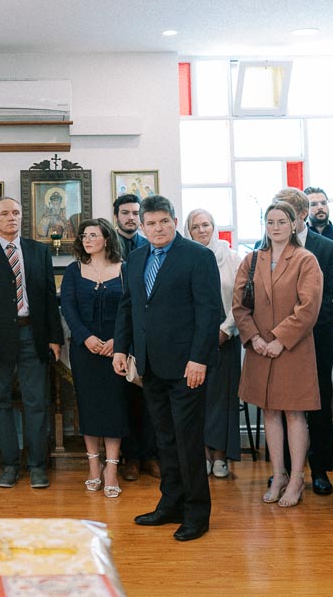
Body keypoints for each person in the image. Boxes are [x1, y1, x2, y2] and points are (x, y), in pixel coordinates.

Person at [113, 195, 222, 542]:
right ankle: (170, 504)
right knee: (165, 439)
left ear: (174, 221)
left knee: (188, 442)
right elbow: (129, 307)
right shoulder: (135, 258)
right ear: (141, 227)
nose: (158, 229)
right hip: (149, 365)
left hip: (187, 366)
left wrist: (199, 358)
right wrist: (121, 348)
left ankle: (196, 514)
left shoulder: (198, 257)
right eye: (151, 223)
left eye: (164, 222)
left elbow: (209, 312)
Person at [233, 201, 321, 508]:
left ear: (294, 224)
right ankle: (279, 474)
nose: (275, 227)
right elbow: (239, 305)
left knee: (294, 413)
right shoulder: (252, 259)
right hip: (259, 349)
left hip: (292, 349)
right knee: (269, 412)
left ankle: (297, 478)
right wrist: (254, 337)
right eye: (270, 221)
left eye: (281, 221)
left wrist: (280, 340)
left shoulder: (305, 259)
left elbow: (308, 307)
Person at [0, 196, 61, 489]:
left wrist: (55, 338)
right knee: (2, 402)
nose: (12, 218)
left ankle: (37, 465)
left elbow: (48, 297)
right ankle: (9, 465)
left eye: (17, 213)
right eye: (5, 213)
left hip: (33, 335)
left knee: (37, 402)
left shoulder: (38, 251)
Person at [278, 186, 333, 491]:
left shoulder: (327, 248)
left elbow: (332, 298)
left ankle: (320, 469)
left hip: (316, 338)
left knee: (317, 403)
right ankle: (286, 470)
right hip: (280, 340)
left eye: (286, 216)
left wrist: (300, 327)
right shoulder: (266, 246)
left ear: (302, 215)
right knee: (283, 405)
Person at [61, 218, 129, 498]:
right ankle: (93, 466)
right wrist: (85, 338)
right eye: (84, 236)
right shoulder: (74, 271)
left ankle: (111, 469)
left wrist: (118, 342)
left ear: (107, 239)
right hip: (85, 350)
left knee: (114, 407)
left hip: (117, 351)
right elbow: (68, 307)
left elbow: (130, 308)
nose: (87, 240)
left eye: (93, 235)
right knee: (88, 407)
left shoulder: (124, 270)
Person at [184, 208, 240, 479]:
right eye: (196, 227)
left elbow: (241, 300)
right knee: (198, 398)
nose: (202, 230)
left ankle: (220, 456)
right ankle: (203, 454)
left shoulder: (232, 258)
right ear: (188, 231)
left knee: (222, 399)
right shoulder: (184, 258)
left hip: (225, 337)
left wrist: (226, 329)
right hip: (193, 340)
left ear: (214, 227)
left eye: (207, 224)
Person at [112, 192, 156, 481]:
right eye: (125, 212)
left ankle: (151, 455)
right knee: (124, 399)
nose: (130, 217)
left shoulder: (150, 245)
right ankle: (129, 457)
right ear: (116, 216)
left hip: (148, 333)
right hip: (118, 331)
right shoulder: (107, 244)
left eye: (134, 213)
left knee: (150, 398)